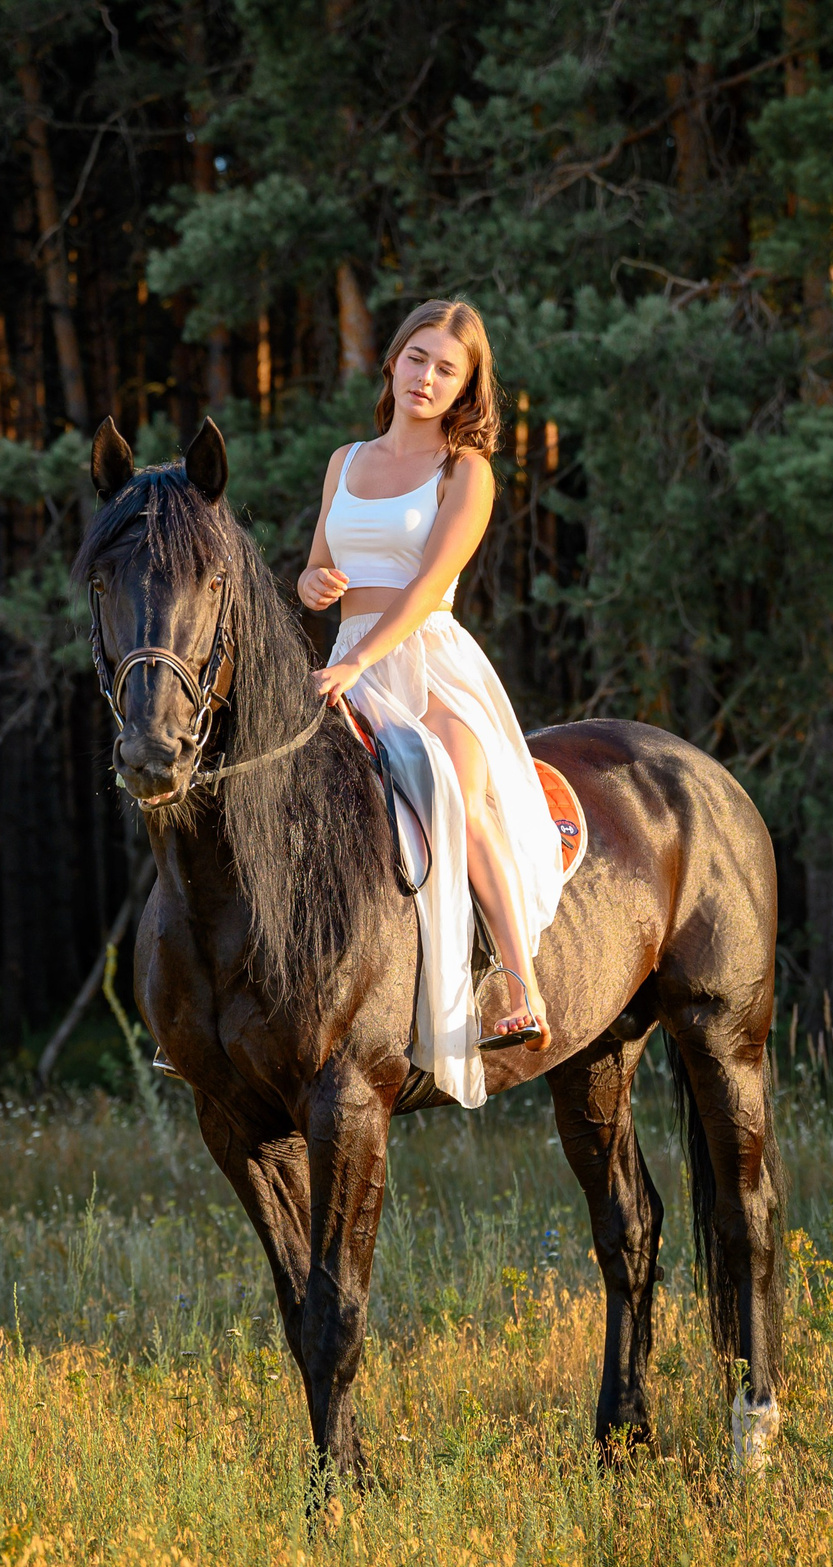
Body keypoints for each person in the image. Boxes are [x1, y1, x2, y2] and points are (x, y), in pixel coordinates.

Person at [301, 299, 567, 1108]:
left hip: (426, 659)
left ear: (467, 388)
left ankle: (518, 983)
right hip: (348, 658)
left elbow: (423, 589)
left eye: (446, 368)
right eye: (417, 358)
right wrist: (313, 586)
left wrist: (364, 659)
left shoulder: (465, 471)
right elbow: (318, 570)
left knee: (457, 781)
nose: (426, 377)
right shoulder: (345, 460)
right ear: (392, 362)